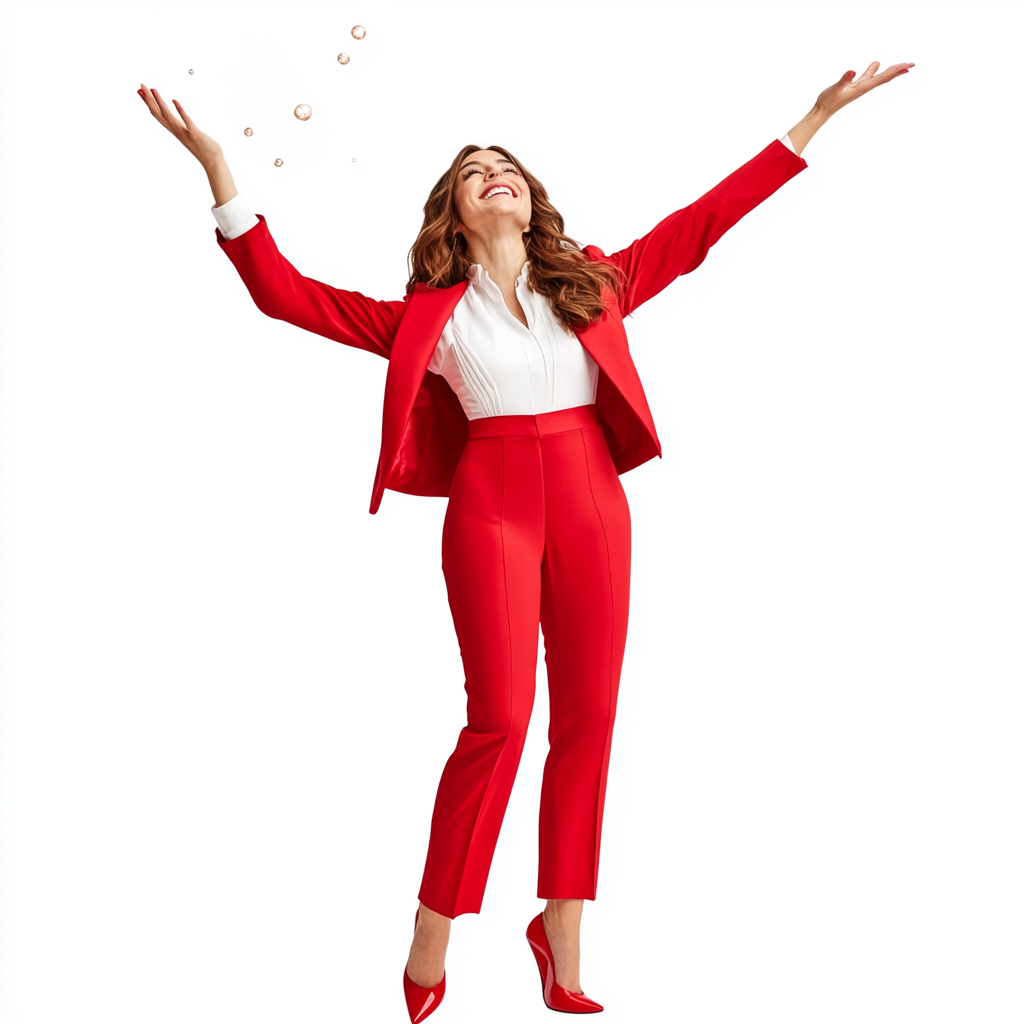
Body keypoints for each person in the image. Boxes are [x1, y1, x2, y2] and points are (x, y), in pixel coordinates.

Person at [138, 58, 913, 1020]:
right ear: (455, 213)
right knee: (500, 717)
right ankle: (436, 920)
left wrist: (809, 122)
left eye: (507, 164)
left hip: (591, 497)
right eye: (474, 171)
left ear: (529, 197)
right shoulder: (429, 314)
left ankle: (562, 931)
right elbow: (285, 296)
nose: (495, 172)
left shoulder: (593, 283)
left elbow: (701, 226)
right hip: (491, 502)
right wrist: (220, 171)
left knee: (588, 717)